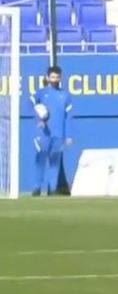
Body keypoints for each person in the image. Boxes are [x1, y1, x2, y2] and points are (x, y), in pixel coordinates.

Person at [31, 66, 72, 196]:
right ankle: (37, 188)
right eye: (52, 77)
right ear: (48, 78)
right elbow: (31, 105)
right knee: (40, 160)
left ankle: (51, 189)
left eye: (57, 77)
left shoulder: (65, 95)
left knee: (54, 162)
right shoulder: (41, 93)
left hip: (58, 133)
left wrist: (68, 135)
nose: (55, 79)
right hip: (43, 133)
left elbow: (68, 117)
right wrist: (39, 119)